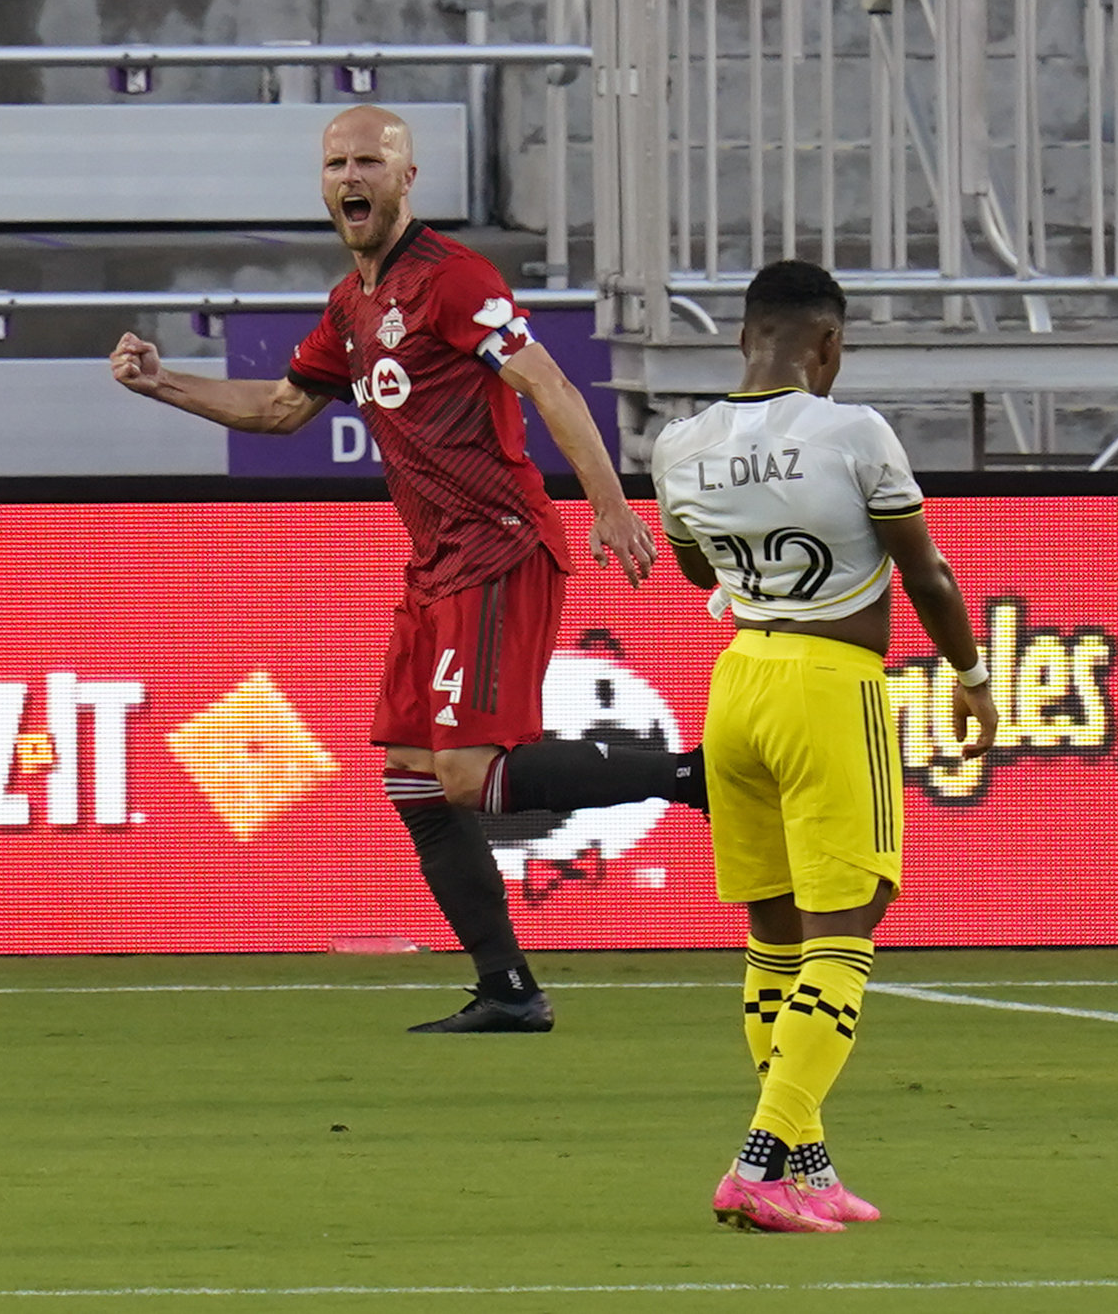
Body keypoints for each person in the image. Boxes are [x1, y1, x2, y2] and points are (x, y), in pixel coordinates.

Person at [111, 105, 704, 1034]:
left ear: (405, 177)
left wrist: (611, 505)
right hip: (432, 565)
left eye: (370, 162)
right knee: (412, 777)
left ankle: (687, 778)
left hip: (496, 545)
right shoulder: (352, 302)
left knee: (466, 774)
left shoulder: (454, 279)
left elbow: (546, 379)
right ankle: (507, 987)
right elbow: (278, 408)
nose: (352, 177)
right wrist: (162, 384)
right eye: (337, 163)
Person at [651, 260, 1000, 1233]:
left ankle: (807, 1165)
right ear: (829, 344)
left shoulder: (678, 443)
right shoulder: (852, 432)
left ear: (742, 338)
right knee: (846, 931)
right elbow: (922, 571)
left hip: (735, 685)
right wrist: (970, 675)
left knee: (773, 939)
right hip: (826, 687)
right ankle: (759, 1160)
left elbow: (693, 564)